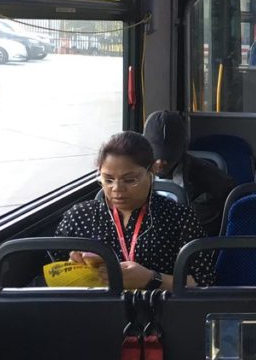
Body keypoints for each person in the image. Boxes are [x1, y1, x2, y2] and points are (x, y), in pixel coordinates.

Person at [56, 131, 215, 289]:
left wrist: (152, 279)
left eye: (130, 180)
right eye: (108, 179)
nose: (117, 189)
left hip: (158, 310)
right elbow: (50, 272)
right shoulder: (78, 217)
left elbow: (203, 281)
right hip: (95, 310)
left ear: (151, 171)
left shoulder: (179, 218)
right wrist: (71, 267)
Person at [143, 110, 235, 238]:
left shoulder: (212, 181)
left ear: (181, 151)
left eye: (169, 157)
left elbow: (206, 230)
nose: (161, 162)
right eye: (155, 155)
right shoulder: (130, 177)